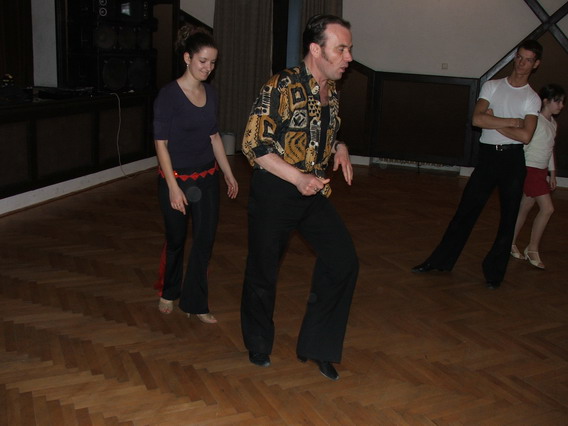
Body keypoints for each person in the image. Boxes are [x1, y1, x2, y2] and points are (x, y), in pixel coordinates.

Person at [240, 14, 358, 381]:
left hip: (312, 189)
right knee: (263, 271)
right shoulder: (281, 85)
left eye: (349, 49)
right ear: (315, 49)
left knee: (343, 261)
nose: (349, 57)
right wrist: (296, 177)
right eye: (341, 49)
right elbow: (253, 144)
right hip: (277, 188)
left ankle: (317, 346)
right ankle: (258, 343)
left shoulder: (330, 89)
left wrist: (339, 146)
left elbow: (324, 130)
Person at [412, 39, 543, 289]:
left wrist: (495, 121)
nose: (521, 63)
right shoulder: (492, 86)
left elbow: (526, 136)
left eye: (528, 60)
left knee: (508, 219)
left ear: (535, 65)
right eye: (519, 57)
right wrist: (512, 122)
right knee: (465, 212)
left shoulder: (532, 98)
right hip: (488, 158)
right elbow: (477, 119)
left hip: (513, 161)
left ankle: (494, 273)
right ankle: (440, 261)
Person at [153, 26, 238, 323]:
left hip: (207, 178)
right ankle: (169, 291)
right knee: (176, 239)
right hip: (175, 179)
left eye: (213, 62)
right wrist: (173, 187)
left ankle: (196, 302)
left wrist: (228, 173)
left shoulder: (211, 93)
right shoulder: (168, 96)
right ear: (187, 58)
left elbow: (214, 137)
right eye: (203, 61)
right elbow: (161, 145)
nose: (208, 68)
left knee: (204, 241)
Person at [510, 84, 565, 269]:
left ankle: (509, 242)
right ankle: (532, 248)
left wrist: (552, 173)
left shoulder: (553, 123)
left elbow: (549, 150)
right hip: (530, 169)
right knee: (548, 209)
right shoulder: (536, 121)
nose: (561, 105)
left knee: (524, 208)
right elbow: (524, 146)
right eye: (557, 101)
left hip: (540, 171)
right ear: (546, 101)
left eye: (562, 102)